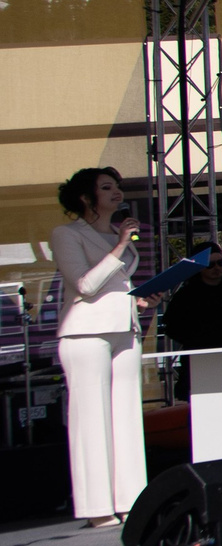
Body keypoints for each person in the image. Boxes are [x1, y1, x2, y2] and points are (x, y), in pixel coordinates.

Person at [51, 167, 156, 525]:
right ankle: (97, 508)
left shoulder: (115, 232)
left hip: (123, 328)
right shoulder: (66, 233)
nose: (116, 193)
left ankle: (131, 500)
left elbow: (114, 286)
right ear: (85, 198)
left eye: (117, 187)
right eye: (106, 187)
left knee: (127, 416)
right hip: (84, 333)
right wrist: (121, 245)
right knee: (91, 418)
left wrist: (142, 299)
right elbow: (84, 285)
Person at [158, 235, 222, 401]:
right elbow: (172, 326)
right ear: (199, 268)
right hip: (200, 360)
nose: (216, 268)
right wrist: (200, 336)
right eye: (210, 265)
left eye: (220, 263)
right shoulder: (186, 295)